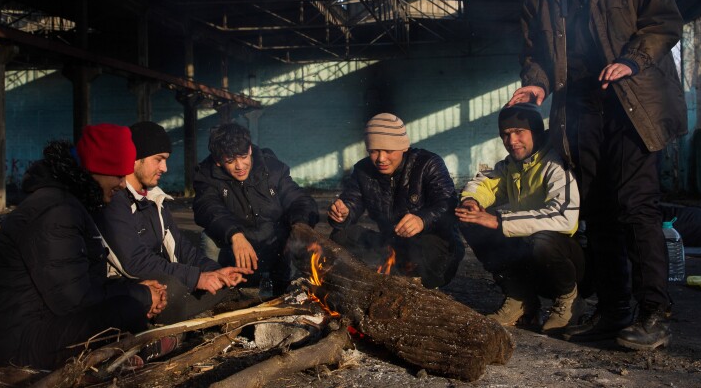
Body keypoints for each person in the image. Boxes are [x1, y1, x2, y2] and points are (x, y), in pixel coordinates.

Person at [508, 0, 687, 350]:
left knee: (636, 208)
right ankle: (613, 312)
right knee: (600, 214)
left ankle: (654, 313)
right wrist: (536, 86)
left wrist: (632, 59)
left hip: (633, 102)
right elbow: (537, 58)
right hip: (580, 111)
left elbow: (664, 22)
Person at [0, 124, 174, 370]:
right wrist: (141, 296)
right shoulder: (56, 211)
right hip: (5, 343)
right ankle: (118, 356)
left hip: (29, 324)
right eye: (117, 175)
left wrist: (133, 287)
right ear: (96, 169)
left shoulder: (72, 205)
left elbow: (83, 281)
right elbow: (73, 299)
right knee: (128, 307)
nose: (122, 185)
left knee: (130, 302)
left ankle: (123, 352)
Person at [96, 121, 252, 324]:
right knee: (173, 288)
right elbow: (135, 262)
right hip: (123, 285)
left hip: (157, 280)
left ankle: (178, 318)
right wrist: (197, 278)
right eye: (158, 159)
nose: (165, 168)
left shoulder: (154, 198)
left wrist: (213, 270)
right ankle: (162, 330)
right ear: (135, 159)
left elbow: (181, 248)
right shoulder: (114, 200)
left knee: (218, 285)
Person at [457, 104, 583, 332]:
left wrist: (500, 221)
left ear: (535, 131)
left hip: (568, 259)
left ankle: (568, 301)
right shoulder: (511, 165)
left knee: (543, 240)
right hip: (527, 254)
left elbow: (565, 217)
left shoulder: (556, 163)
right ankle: (520, 299)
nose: (511, 140)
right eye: (505, 134)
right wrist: (472, 201)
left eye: (519, 132)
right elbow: (486, 183)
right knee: (472, 220)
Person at [328, 113, 464, 289]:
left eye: (388, 151)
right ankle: (385, 278)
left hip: (433, 247)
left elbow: (448, 204)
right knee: (340, 236)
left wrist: (422, 219)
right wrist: (342, 213)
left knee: (427, 248)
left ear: (403, 147)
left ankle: (418, 284)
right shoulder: (363, 170)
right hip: (392, 244)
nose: (381, 159)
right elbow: (351, 202)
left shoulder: (428, 163)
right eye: (374, 151)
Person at [193, 123, 319, 295]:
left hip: (276, 244)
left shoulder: (272, 168)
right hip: (237, 247)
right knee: (209, 239)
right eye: (230, 161)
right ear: (219, 161)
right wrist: (235, 235)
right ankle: (216, 291)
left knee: (299, 234)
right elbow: (207, 207)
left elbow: (299, 199)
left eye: (243, 156)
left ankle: (287, 282)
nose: (240, 166)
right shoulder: (206, 174)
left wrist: (300, 226)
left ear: (250, 149)